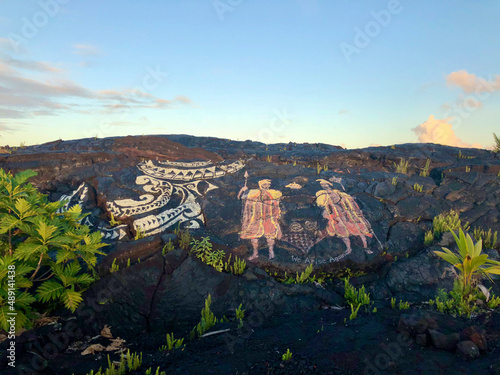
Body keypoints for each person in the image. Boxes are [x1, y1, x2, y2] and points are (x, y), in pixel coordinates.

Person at [315, 179, 373, 255]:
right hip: (337, 217)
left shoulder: (338, 193)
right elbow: (324, 205)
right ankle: (348, 249)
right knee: (343, 234)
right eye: (322, 185)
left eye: (326, 184)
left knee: (360, 231)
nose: (324, 186)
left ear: (329, 185)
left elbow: (350, 202)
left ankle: (365, 247)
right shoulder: (322, 194)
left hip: (348, 216)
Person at [237, 179, 282, 260]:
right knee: (253, 236)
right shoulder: (252, 192)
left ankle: (271, 252)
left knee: (270, 235)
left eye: (268, 184)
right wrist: (242, 190)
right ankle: (255, 253)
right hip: (255, 218)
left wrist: (276, 216)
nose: (266, 186)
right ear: (260, 184)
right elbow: (240, 197)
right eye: (264, 184)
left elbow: (276, 206)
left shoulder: (274, 193)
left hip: (268, 217)